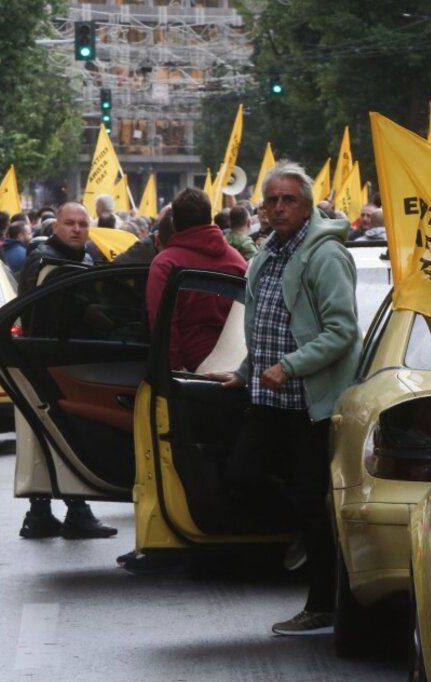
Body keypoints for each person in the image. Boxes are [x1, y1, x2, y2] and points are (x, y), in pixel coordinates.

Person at [209, 161, 359, 636]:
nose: (277, 208)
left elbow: (342, 332)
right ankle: (304, 530)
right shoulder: (267, 253)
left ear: (307, 206)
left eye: (288, 199)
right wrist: (245, 372)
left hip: (310, 403)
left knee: (312, 502)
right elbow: (266, 329)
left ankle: (323, 603)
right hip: (268, 396)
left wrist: (289, 366)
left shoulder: (324, 256)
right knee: (243, 477)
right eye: (271, 200)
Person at [16, 202, 116, 540]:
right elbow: (47, 307)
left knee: (51, 437)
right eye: (70, 223)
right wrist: (87, 311)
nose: (77, 229)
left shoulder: (82, 259)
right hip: (53, 359)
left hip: (67, 358)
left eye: (82, 224)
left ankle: (41, 513)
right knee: (66, 434)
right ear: (55, 226)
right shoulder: (45, 261)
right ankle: (75, 510)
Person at [145, 187, 247, 371]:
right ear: (210, 217)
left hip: (189, 372)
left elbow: (163, 324)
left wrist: (175, 369)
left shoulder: (165, 263)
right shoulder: (237, 260)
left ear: (174, 223)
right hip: (233, 369)